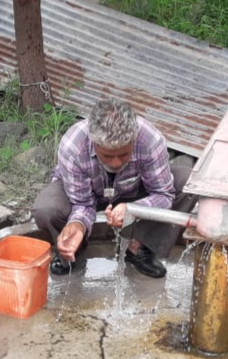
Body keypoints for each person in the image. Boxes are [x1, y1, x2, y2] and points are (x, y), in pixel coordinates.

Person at [32, 98, 197, 278]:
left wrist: (133, 209)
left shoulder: (150, 140)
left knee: (188, 181)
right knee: (46, 208)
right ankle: (71, 250)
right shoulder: (73, 145)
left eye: (124, 153)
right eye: (108, 156)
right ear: (94, 143)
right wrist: (77, 224)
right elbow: (82, 203)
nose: (116, 162)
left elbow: (163, 194)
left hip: (133, 192)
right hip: (85, 195)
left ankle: (139, 247)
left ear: (133, 140)